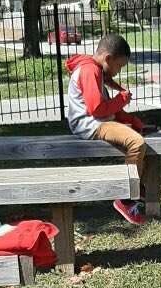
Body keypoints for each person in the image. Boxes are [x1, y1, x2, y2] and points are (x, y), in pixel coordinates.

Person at [65, 34, 153, 226]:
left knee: (138, 136)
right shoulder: (90, 70)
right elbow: (97, 109)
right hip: (89, 125)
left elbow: (107, 109)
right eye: (119, 66)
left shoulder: (95, 69)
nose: (119, 71)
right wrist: (121, 99)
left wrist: (132, 121)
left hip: (98, 122)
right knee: (136, 142)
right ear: (108, 58)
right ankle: (126, 199)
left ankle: (138, 186)